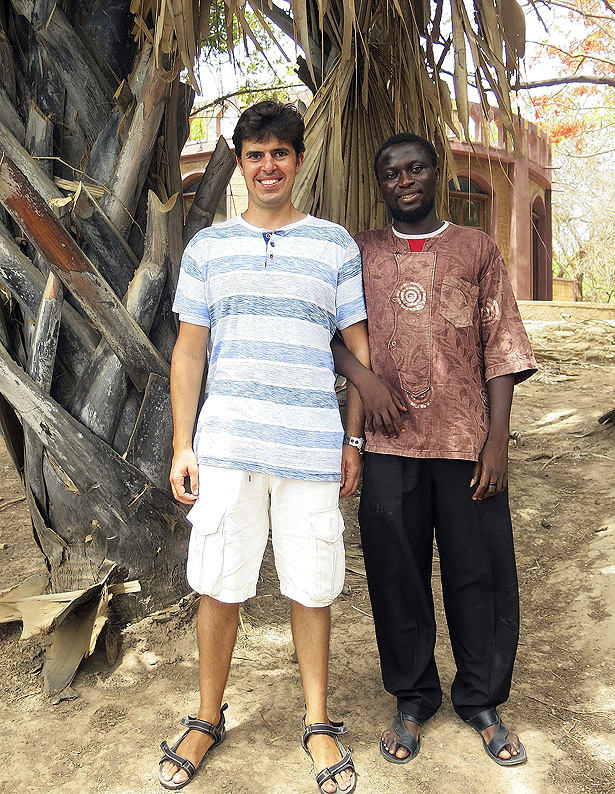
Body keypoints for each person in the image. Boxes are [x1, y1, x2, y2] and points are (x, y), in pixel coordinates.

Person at [160, 100, 372, 793]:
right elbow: (189, 354)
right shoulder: (207, 249)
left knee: (311, 587)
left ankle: (316, 722)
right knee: (218, 584)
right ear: (240, 165)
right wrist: (182, 445)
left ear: (298, 161)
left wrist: (353, 438)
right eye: (255, 155)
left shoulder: (333, 244)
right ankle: (204, 715)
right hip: (226, 448)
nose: (267, 166)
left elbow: (357, 349)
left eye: (280, 153)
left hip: (311, 446)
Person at [353, 133, 537, 767]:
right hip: (388, 446)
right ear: (379, 184)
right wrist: (366, 381)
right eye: (391, 172)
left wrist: (498, 442)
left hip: (465, 444)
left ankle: (482, 699)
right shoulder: (362, 252)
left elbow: (502, 346)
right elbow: (329, 330)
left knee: (478, 572)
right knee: (396, 574)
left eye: (416, 168)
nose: (405, 180)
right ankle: (412, 697)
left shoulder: (476, 248)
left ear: (438, 174)